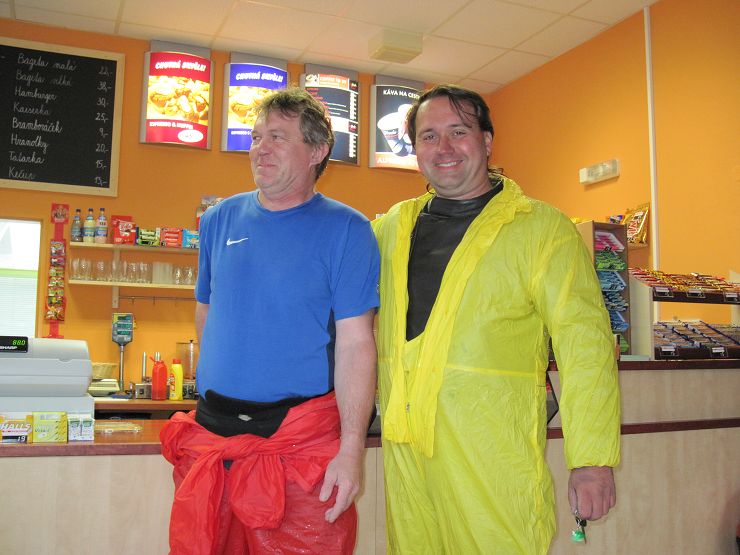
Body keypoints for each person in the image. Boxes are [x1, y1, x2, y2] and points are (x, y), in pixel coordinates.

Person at [372, 84, 621, 554]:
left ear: (486, 141)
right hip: (406, 454)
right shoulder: (389, 230)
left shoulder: (541, 230)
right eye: (428, 136)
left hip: (491, 459)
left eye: (458, 131)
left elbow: (585, 346)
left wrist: (591, 460)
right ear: (415, 149)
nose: (443, 147)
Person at [160, 88, 380, 554]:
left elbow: (356, 343)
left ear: (317, 151)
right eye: (257, 136)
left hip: (299, 445)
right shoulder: (218, 220)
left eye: (278, 137)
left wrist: (351, 449)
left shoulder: (349, 230)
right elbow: (206, 308)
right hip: (213, 433)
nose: (261, 148)